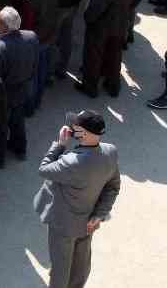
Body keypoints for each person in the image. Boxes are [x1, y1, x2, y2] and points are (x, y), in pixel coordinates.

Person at [34, 110, 120, 288]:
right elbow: (113, 187)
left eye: (76, 126)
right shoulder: (110, 152)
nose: (71, 128)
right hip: (88, 222)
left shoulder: (72, 162)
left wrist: (59, 145)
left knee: (60, 270)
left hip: (63, 225)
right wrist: (99, 214)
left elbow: (44, 169)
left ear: (85, 133)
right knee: (80, 268)